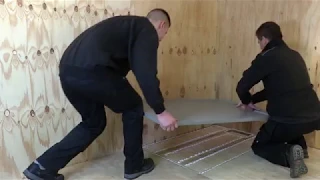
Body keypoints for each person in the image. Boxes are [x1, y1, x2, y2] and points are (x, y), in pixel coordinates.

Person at [22, 8, 179, 180]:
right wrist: (160, 111)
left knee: (93, 123)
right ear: (161, 24)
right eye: (166, 32)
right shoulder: (146, 29)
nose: (163, 37)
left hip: (69, 71)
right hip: (93, 71)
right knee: (133, 106)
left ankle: (41, 167)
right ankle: (135, 165)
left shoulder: (127, 26)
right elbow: (146, 73)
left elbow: (133, 64)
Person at [236, 21, 320, 178]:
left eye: (259, 41)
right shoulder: (295, 55)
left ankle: (290, 154)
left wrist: (246, 100)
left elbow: (241, 87)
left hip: (288, 119)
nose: (259, 46)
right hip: (315, 116)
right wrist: (252, 99)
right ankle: (301, 147)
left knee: (260, 145)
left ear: (265, 39)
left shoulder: (266, 57)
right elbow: (277, 89)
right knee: (292, 122)